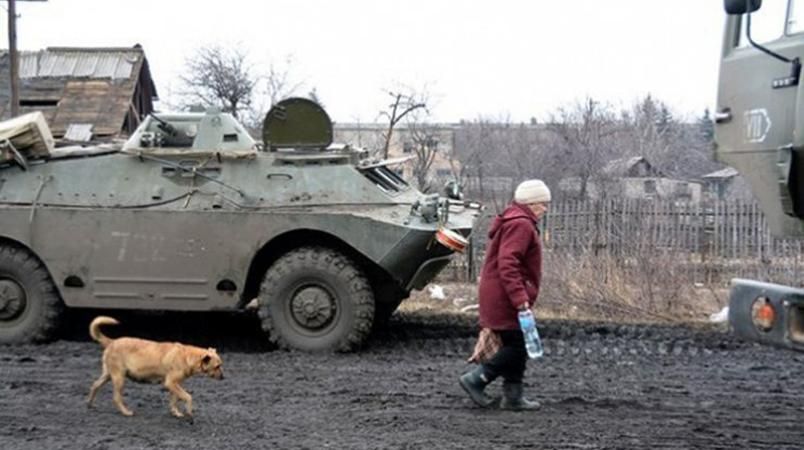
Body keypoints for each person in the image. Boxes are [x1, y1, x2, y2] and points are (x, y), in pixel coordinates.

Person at [459, 179, 550, 411]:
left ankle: (513, 397)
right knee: (518, 345)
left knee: (516, 343)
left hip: (501, 293)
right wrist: (520, 298)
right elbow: (508, 263)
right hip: (506, 296)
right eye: (543, 203)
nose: (545, 208)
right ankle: (477, 379)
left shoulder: (515, 220)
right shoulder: (521, 225)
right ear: (531, 203)